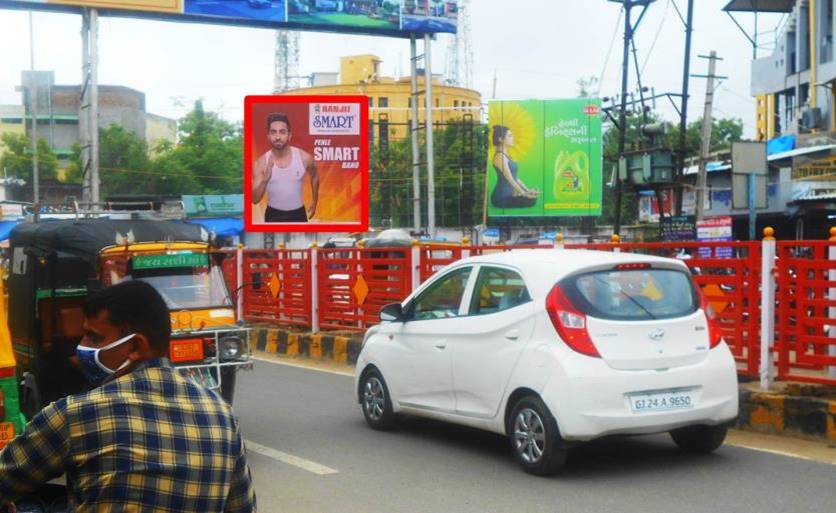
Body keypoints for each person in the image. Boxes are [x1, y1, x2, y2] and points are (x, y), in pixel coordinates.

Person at [0, 280, 256, 512]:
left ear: (135, 346)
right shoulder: (222, 415)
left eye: (94, 338)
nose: (83, 349)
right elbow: (243, 507)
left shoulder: (76, 415)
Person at [252, 112, 319, 223]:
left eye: (282, 132)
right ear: (268, 135)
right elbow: (254, 199)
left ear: (289, 135)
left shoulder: (305, 158)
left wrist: (314, 201)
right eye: (273, 132)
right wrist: (265, 180)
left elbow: (315, 177)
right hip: (273, 215)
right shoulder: (260, 163)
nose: (278, 137)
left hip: (298, 214)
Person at [490, 125, 538, 209]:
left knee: (533, 198)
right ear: (500, 139)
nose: (512, 138)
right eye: (509, 136)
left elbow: (515, 177)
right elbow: (510, 179)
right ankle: (520, 195)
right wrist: (524, 194)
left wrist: (527, 190)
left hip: (510, 194)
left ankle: (521, 195)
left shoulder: (506, 156)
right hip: (501, 197)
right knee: (531, 200)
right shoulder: (499, 157)